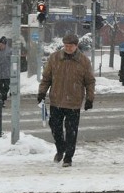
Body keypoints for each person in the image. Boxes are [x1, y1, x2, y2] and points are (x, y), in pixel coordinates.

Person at [37, 34, 96, 167]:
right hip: (56, 100)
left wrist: (89, 99)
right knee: (55, 128)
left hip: (73, 102)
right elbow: (46, 77)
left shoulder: (84, 61)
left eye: (70, 46)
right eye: (66, 46)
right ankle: (60, 148)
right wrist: (41, 92)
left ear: (76, 46)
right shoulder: (55, 58)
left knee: (71, 131)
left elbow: (90, 82)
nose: (67, 48)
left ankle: (68, 157)